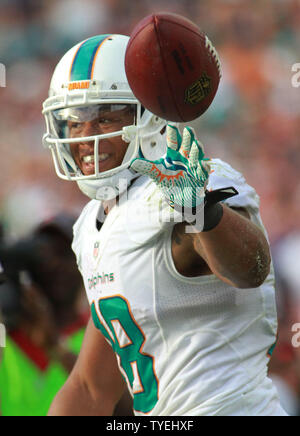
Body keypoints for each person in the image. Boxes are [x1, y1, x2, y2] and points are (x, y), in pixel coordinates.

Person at [42, 33, 287, 416]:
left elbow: (250, 268)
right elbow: (89, 388)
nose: (86, 137)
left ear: (149, 118)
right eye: (74, 122)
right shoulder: (92, 224)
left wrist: (201, 209)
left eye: (105, 116)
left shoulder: (194, 185)